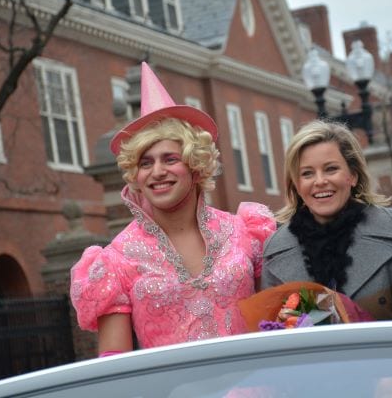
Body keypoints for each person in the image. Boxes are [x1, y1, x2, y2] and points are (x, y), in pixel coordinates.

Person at [70, 63, 276, 355]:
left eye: (169, 159)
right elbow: (115, 361)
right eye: (145, 163)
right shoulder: (116, 259)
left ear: (195, 165)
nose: (157, 172)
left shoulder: (245, 231)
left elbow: (275, 323)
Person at [261, 120, 392, 320]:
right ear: (296, 185)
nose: (320, 181)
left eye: (331, 169)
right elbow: (271, 329)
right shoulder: (275, 251)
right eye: (307, 173)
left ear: (353, 176)